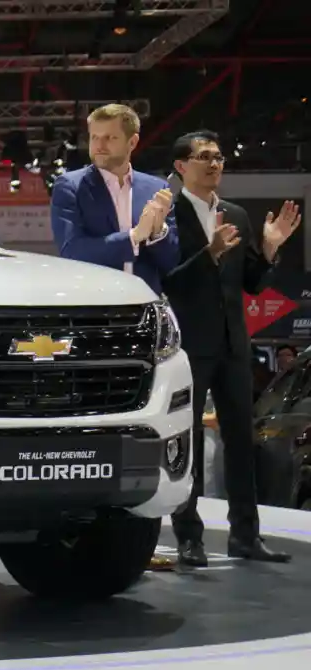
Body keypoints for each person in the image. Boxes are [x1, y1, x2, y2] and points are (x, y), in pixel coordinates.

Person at [163, 129, 301, 566]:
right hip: (189, 346)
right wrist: (210, 252)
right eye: (204, 156)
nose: (215, 163)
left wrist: (271, 248)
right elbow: (170, 283)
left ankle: (246, 536)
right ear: (181, 166)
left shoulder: (237, 215)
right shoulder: (168, 216)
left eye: (219, 156)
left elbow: (252, 284)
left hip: (235, 346)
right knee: (189, 444)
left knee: (241, 442)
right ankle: (189, 538)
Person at [50, 103, 179, 295]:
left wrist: (158, 233)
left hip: (145, 301)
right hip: (95, 302)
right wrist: (134, 236)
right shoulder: (70, 186)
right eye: (95, 137)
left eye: (110, 138)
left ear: (132, 142)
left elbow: (172, 261)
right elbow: (72, 251)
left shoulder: (156, 189)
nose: (99, 146)